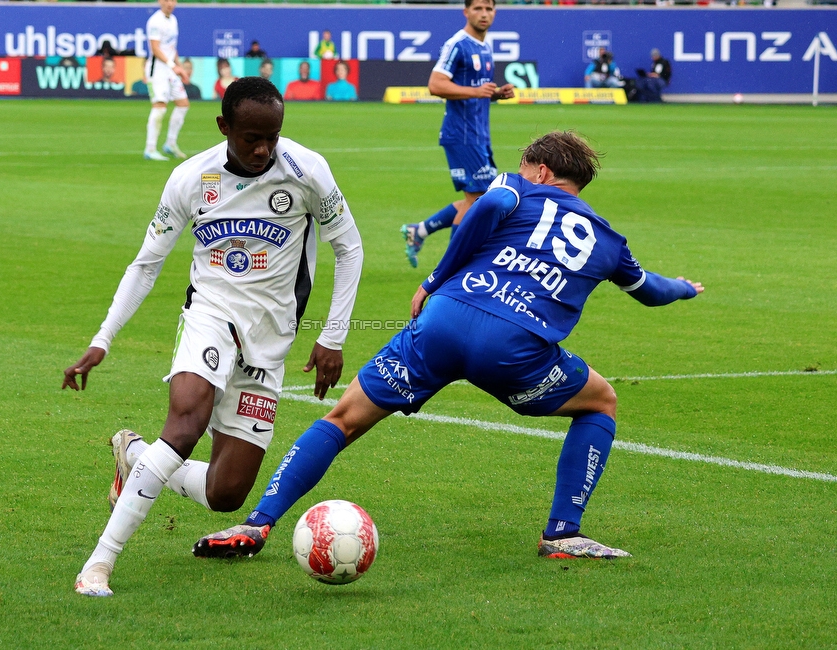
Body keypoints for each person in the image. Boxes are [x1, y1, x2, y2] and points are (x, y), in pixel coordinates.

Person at [194, 131, 705, 563]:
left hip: (444, 323)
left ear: (543, 172)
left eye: (524, 169)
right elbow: (653, 293)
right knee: (601, 401)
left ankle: (258, 525)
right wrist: (684, 286)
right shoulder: (608, 241)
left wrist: (435, 280)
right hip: (517, 352)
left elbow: (495, 203)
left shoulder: (514, 187)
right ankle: (563, 533)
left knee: (342, 420)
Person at [68, 77, 364, 597]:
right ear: (224, 126)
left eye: (271, 136)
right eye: (250, 137)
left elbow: (350, 248)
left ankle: (135, 456)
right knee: (184, 424)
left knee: (227, 493)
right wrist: (103, 337)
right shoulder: (190, 178)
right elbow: (146, 264)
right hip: (209, 314)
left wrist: (334, 337)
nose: (262, 149)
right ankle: (98, 564)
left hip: (270, 340)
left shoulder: (306, 171)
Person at [401, 0, 514, 268]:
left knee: (475, 198)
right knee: (479, 200)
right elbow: (435, 84)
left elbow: (474, 90)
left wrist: (495, 95)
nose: (484, 14)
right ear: (466, 12)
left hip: (479, 135)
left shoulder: (485, 46)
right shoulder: (458, 44)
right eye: (478, 8)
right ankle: (452, 268)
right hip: (462, 134)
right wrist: (477, 92)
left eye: (489, 8)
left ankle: (420, 231)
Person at [143, 0, 191, 161]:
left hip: (170, 71)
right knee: (160, 107)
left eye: (173, 0)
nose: (170, 3)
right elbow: (155, 48)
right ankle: (150, 149)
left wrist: (179, 67)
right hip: (158, 71)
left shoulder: (173, 20)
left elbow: (171, 47)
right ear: (160, 1)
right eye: (166, 0)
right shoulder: (155, 21)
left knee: (183, 104)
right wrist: (172, 65)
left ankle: (170, 144)